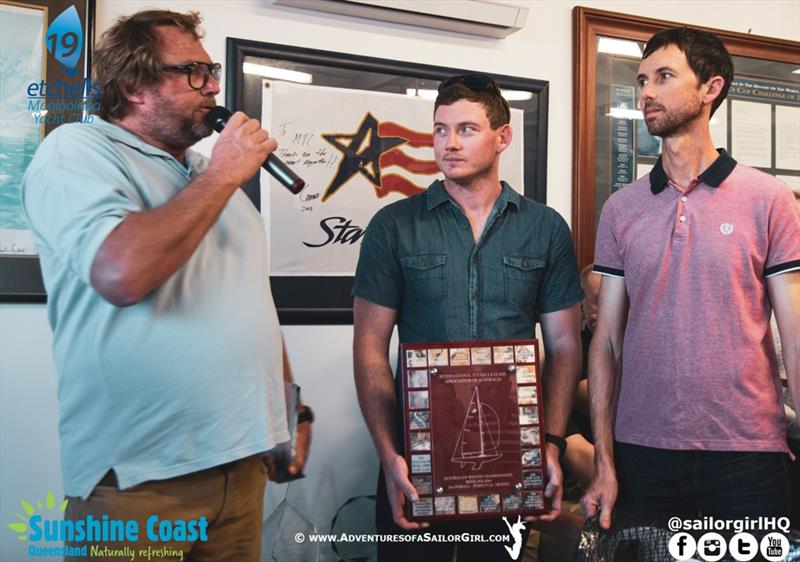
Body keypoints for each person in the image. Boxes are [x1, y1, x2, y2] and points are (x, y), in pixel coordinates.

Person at [21, 10, 311, 561]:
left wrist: (291, 411)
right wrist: (227, 174)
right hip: (140, 480)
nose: (214, 87)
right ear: (133, 86)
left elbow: (251, 307)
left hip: (241, 466)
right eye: (194, 73)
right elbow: (121, 273)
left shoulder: (207, 172)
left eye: (212, 72)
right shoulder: (78, 152)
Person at [352, 73, 583, 561]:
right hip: (414, 458)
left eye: (466, 129)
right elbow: (370, 347)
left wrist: (552, 444)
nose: (449, 143)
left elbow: (565, 346)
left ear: (503, 136)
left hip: (510, 457)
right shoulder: (393, 227)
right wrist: (388, 454)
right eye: (440, 129)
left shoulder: (546, 229)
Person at [581, 27, 800, 530]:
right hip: (642, 451)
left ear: (710, 88)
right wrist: (604, 459)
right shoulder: (621, 209)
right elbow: (607, 342)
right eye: (641, 80)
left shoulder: (768, 200)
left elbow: (795, 333)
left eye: (663, 76)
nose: (646, 93)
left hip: (747, 450)